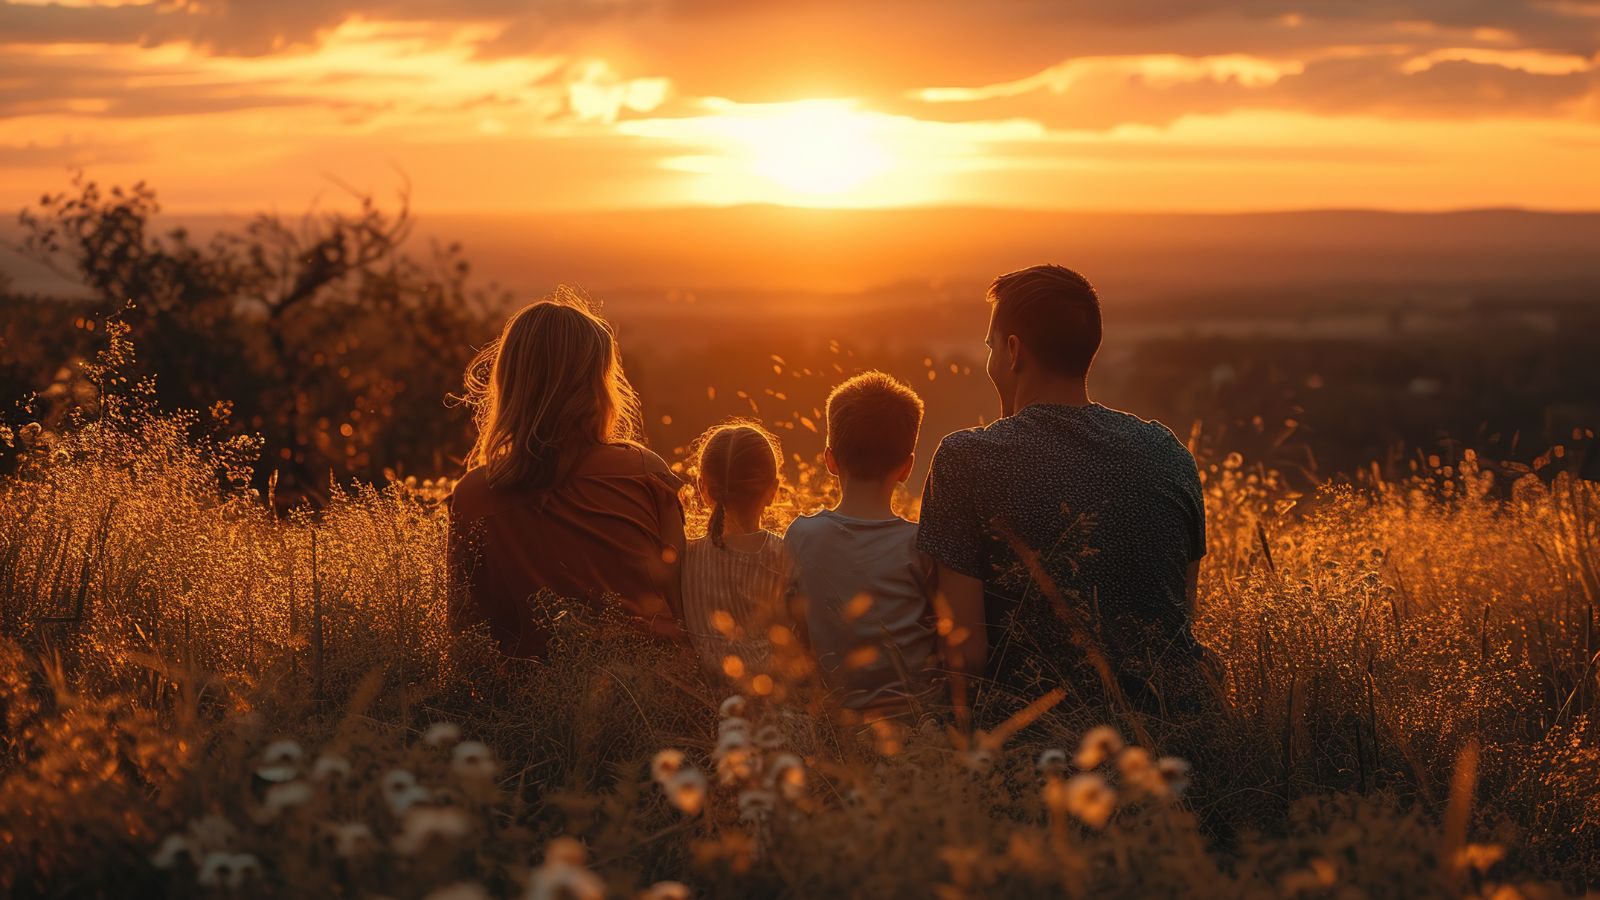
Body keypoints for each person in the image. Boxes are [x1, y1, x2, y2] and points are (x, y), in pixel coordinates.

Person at [915, 265, 1210, 724]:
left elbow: (964, 656)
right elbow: (1179, 617)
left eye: (992, 346)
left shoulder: (967, 459)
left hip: (1037, 744)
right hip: (1178, 738)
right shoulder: (1167, 451)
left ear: (1013, 351)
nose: (991, 360)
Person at [448, 290, 685, 658]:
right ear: (600, 386)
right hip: (653, 693)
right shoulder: (645, 471)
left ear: (509, 381)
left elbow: (465, 634)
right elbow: (682, 601)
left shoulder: (474, 494)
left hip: (529, 705)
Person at [786, 372, 941, 718]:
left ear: (830, 460)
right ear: (907, 467)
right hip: (916, 727)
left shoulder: (801, 537)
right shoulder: (920, 545)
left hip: (835, 727)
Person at [679, 422, 793, 682]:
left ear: (702, 488)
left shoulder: (685, 556)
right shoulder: (785, 555)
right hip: (770, 700)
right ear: (773, 491)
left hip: (700, 701)